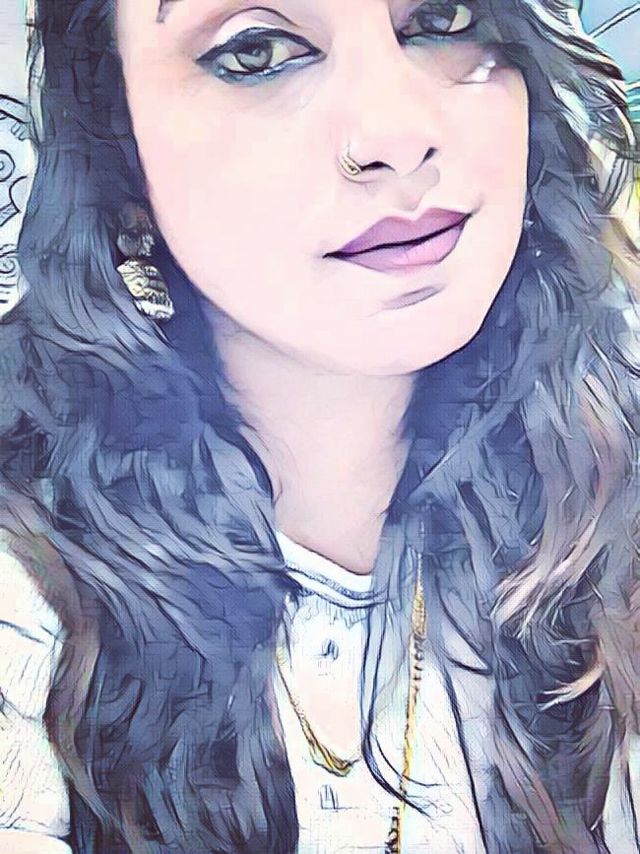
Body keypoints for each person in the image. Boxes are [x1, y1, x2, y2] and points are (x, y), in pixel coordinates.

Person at [0, 0, 638, 851]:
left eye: (442, 16)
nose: (397, 134)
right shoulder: (28, 591)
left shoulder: (608, 482)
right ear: (115, 154)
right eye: (258, 51)